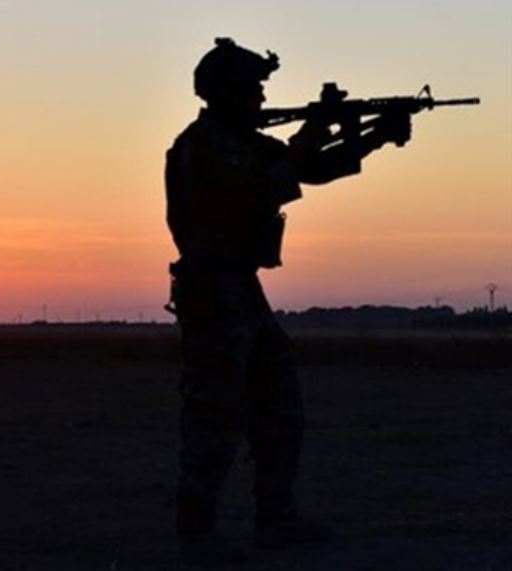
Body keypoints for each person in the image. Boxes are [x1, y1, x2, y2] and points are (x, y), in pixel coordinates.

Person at [164, 38, 411, 563]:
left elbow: (311, 169)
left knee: (279, 406)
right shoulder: (204, 146)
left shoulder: (246, 142)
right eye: (252, 88)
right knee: (213, 413)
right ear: (225, 92)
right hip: (212, 290)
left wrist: (372, 135)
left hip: (241, 289)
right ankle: (197, 531)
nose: (259, 97)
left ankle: (275, 519)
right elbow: (277, 177)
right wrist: (323, 123)